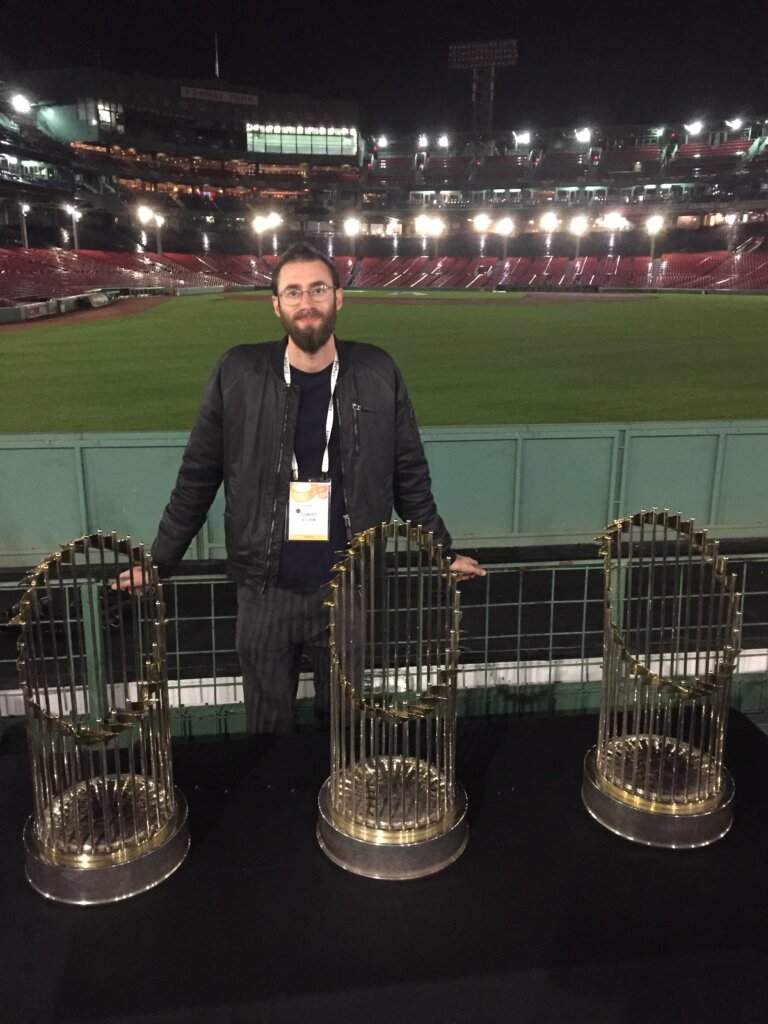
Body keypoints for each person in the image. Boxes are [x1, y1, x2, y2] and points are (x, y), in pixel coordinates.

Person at [119, 242, 484, 732]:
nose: (306, 302)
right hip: (264, 590)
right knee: (267, 724)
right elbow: (197, 477)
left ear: (339, 298)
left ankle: (342, 806)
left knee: (347, 726)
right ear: (276, 304)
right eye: (294, 291)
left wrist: (440, 548)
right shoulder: (238, 372)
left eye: (318, 289)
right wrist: (159, 562)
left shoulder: (377, 371)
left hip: (348, 587)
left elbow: (409, 475)